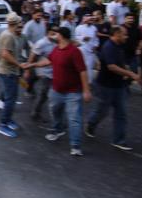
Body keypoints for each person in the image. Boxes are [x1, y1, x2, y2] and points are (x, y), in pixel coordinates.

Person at [26, 26, 92, 156]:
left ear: (61, 36)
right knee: (55, 111)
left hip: (73, 92)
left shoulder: (74, 52)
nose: (53, 36)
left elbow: (82, 71)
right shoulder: (56, 49)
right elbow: (47, 61)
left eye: (55, 34)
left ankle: (75, 145)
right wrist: (32, 65)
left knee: (74, 118)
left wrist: (86, 90)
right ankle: (57, 130)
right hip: (56, 90)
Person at [85, 26, 142, 150]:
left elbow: (121, 63)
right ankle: (91, 124)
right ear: (116, 34)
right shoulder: (108, 47)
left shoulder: (119, 46)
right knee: (102, 111)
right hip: (105, 86)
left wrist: (130, 72)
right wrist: (130, 74)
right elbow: (112, 67)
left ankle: (118, 140)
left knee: (121, 113)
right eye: (124, 34)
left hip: (118, 86)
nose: (126, 37)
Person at [0, 12, 24, 138]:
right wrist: (19, 64)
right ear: (16, 22)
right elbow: (5, 54)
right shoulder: (8, 36)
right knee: (10, 99)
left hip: (10, 71)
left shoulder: (11, 34)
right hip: (8, 71)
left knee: (11, 98)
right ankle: (3, 125)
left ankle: (8, 120)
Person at [25, 27, 58, 122]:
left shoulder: (56, 41)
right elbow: (32, 56)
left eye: (57, 32)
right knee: (44, 93)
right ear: (48, 33)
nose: (55, 35)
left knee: (47, 93)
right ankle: (35, 113)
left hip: (53, 71)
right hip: (43, 72)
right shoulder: (41, 43)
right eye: (53, 33)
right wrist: (27, 70)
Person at [75, 13, 99, 84]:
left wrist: (95, 46)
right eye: (88, 19)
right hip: (81, 50)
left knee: (89, 68)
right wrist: (83, 38)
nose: (90, 20)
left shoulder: (94, 28)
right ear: (84, 19)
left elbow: (96, 39)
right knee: (80, 66)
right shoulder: (79, 28)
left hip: (90, 51)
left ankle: (88, 83)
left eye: (91, 19)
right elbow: (76, 38)